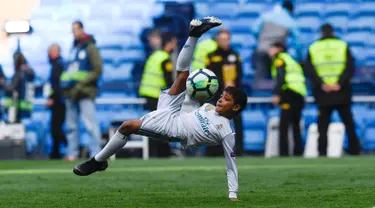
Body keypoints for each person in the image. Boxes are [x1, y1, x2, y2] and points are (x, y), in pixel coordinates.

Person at [73, 17, 246, 201]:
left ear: (235, 107)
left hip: (172, 129)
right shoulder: (209, 106)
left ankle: (97, 162)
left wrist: (233, 194)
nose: (220, 100)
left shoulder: (226, 132)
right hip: (174, 113)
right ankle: (194, 35)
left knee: (126, 126)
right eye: (221, 97)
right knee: (182, 76)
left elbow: (230, 163)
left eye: (225, 100)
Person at [305, 23, 361, 156]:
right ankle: (355, 150)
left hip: (323, 93)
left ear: (322, 33)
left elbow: (309, 69)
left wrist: (322, 84)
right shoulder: (342, 45)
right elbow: (350, 67)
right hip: (341, 92)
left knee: (322, 126)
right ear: (333, 32)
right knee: (349, 123)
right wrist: (339, 84)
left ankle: (322, 152)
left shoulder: (314, 47)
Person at [60, 20, 102, 161]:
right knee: (71, 126)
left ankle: (95, 153)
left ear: (82, 29)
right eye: (72, 29)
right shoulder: (73, 49)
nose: (74, 32)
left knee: (90, 124)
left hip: (85, 92)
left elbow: (97, 70)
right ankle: (72, 153)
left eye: (76, 29)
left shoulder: (90, 47)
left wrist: (81, 84)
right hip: (71, 92)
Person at [203, 29, 244, 157]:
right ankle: (214, 151)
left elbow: (240, 74)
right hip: (217, 96)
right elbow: (209, 76)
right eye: (223, 39)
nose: (225, 42)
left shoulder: (234, 55)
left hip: (233, 96)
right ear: (218, 40)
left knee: (237, 122)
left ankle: (239, 150)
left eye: (227, 39)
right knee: (215, 123)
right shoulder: (211, 56)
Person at [138, 32, 177, 158]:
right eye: (174, 43)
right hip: (157, 97)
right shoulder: (165, 59)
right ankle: (163, 152)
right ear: (169, 43)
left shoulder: (155, 56)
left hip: (148, 94)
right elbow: (168, 81)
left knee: (153, 125)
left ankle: (154, 152)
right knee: (161, 126)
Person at [269, 42, 306, 156]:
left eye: (272, 48)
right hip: (299, 93)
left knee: (284, 125)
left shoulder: (280, 59)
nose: (270, 51)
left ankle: (284, 153)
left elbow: (281, 77)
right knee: (296, 125)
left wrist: (276, 94)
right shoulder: (291, 59)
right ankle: (298, 152)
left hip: (288, 93)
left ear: (279, 49)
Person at [252, 0, 301, 82]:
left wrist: (262, 40)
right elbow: (298, 42)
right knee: (278, 78)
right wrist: (299, 58)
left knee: (260, 80)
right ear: (291, 10)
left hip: (262, 50)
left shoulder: (266, 15)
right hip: (278, 53)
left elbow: (254, 29)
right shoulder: (291, 21)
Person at [46, 44, 67, 159]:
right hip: (61, 101)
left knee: (56, 129)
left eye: (49, 51)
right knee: (57, 128)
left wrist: (52, 98)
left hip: (59, 102)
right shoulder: (61, 64)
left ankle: (57, 152)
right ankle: (55, 152)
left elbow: (56, 85)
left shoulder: (57, 65)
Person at [4, 51, 35, 123]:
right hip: (27, 105)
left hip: (16, 107)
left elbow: (11, 88)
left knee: (14, 129)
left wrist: (3, 83)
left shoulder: (19, 73)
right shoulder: (29, 72)